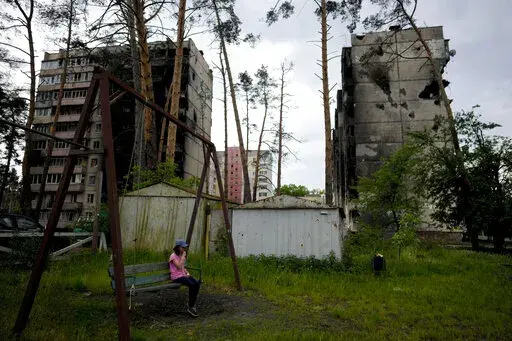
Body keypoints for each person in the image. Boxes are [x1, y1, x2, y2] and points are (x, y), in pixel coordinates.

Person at [169, 239, 201, 317]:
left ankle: (191, 304)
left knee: (197, 283)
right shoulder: (173, 256)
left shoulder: (180, 255)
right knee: (192, 285)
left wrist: (187, 273)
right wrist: (183, 257)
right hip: (176, 277)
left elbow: (183, 267)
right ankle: (191, 306)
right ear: (178, 247)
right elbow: (179, 266)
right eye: (183, 247)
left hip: (182, 275)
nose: (184, 249)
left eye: (185, 247)